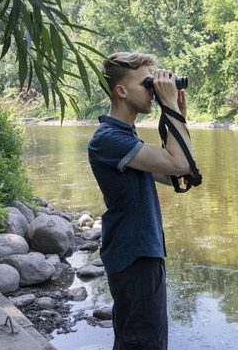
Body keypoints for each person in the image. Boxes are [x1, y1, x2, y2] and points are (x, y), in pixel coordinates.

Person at [87, 52, 193, 350]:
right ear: (121, 90)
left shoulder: (125, 135)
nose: (154, 89)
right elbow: (179, 164)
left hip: (140, 252)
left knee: (139, 340)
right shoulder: (108, 138)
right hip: (134, 256)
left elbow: (176, 176)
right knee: (143, 343)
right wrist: (169, 106)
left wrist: (178, 116)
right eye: (147, 83)